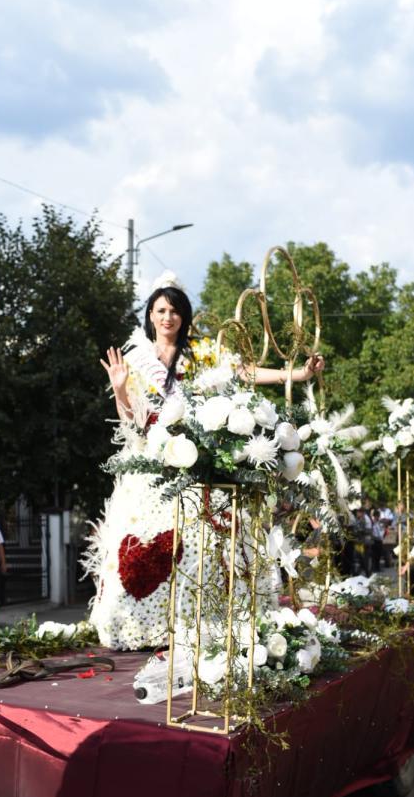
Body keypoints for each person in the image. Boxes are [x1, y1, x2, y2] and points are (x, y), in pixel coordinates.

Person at [88, 271, 324, 651]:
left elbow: (244, 372)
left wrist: (296, 374)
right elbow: (130, 420)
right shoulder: (135, 360)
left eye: (175, 311)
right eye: (161, 310)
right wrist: (119, 389)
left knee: (206, 544)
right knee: (142, 544)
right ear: (150, 314)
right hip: (154, 465)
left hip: (200, 461)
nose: (168, 317)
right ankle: (145, 625)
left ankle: (205, 622)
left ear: (184, 317)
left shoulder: (201, 355)